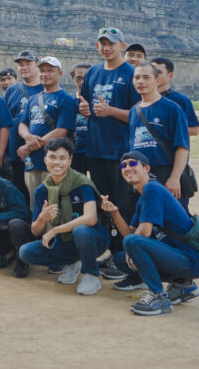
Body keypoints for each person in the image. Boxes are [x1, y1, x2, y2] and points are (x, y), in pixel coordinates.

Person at [102, 150, 199, 316]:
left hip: (191, 258)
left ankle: (159, 296)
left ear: (146, 168)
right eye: (123, 165)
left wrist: (131, 247)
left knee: (132, 243)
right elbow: (130, 233)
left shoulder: (152, 189)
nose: (127, 168)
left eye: (133, 163)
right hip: (180, 257)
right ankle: (182, 284)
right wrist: (115, 213)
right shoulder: (143, 197)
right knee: (120, 259)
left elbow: (143, 232)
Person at [18, 138, 109, 295]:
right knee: (25, 252)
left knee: (80, 230)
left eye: (62, 158)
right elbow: (35, 231)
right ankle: (72, 263)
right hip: (65, 241)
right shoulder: (42, 190)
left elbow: (91, 218)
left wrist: (55, 230)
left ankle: (91, 276)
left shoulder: (82, 183)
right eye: (52, 157)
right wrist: (42, 218)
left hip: (94, 240)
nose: (57, 162)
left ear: (70, 160)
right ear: (45, 159)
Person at [78, 27, 139, 250]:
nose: (106, 48)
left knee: (123, 205)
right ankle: (107, 249)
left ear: (122, 46)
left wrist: (111, 111)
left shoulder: (131, 74)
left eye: (111, 43)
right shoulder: (93, 73)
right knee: (102, 203)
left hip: (121, 152)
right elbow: (85, 104)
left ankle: (123, 253)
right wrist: (85, 109)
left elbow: (140, 114)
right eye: (102, 43)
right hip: (96, 150)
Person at [17, 57, 76, 207]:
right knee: (34, 205)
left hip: (53, 163)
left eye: (50, 70)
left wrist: (30, 146)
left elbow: (61, 130)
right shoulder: (33, 99)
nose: (45, 74)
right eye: (42, 70)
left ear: (59, 73)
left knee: (53, 205)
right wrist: (27, 136)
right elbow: (22, 124)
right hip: (32, 163)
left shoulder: (66, 99)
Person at [128, 63, 190, 201]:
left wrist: (174, 178)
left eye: (146, 77)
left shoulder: (172, 109)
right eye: (137, 77)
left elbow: (182, 147)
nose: (140, 81)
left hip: (165, 173)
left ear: (157, 81)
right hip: (140, 174)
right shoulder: (133, 111)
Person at [4, 50, 44, 205]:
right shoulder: (12, 90)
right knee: (20, 194)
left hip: (40, 154)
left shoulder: (47, 87)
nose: (24, 67)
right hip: (16, 152)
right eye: (21, 64)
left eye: (28, 63)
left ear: (37, 65)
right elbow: (5, 121)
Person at [151, 57, 199, 137]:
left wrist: (164, 130)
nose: (155, 75)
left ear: (170, 76)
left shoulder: (181, 100)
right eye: (152, 72)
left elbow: (194, 130)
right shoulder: (143, 98)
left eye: (159, 72)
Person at [69, 62, 93, 173]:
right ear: (73, 79)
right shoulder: (68, 102)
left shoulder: (100, 102)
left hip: (95, 151)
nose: (83, 82)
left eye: (86, 78)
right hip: (75, 152)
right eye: (79, 78)